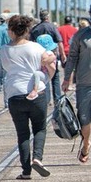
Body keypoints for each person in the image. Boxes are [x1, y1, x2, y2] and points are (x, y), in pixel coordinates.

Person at [2, 15, 55, 179]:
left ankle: (26, 171)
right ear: (27, 30)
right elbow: (51, 58)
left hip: (14, 94)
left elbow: (5, 68)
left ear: (11, 31)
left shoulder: (5, 49)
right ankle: (37, 158)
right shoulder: (36, 47)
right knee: (39, 128)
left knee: (22, 133)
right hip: (37, 92)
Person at [63, 13, 91, 164]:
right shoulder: (81, 35)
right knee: (84, 118)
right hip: (85, 83)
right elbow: (72, 57)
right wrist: (67, 78)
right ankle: (86, 145)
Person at [31, 9, 66, 106]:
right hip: (52, 55)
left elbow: (31, 43)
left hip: (40, 56)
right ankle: (57, 99)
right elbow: (59, 41)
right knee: (55, 77)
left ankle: (46, 100)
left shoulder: (35, 29)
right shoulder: (53, 27)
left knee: (44, 76)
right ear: (47, 17)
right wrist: (62, 55)